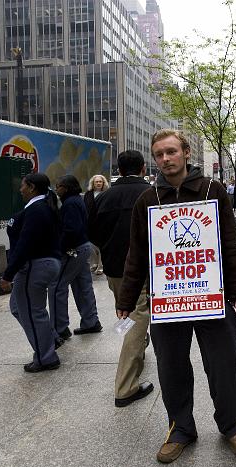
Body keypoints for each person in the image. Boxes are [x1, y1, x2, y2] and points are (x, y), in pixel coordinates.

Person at [117, 129, 236, 464]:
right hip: (167, 298)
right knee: (172, 366)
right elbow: (137, 253)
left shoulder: (212, 190)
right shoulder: (147, 200)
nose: (165, 159)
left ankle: (231, 424)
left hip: (211, 295)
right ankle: (180, 428)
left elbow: (231, 243)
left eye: (171, 152)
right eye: (159, 154)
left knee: (224, 364)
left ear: (186, 152)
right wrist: (126, 299)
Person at [88, 150, 154, 407]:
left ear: (119, 169)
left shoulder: (103, 197)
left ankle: (138, 346)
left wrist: (110, 249)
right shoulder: (152, 193)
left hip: (114, 268)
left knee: (125, 314)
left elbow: (91, 232)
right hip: (144, 269)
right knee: (137, 317)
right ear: (143, 168)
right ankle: (126, 386)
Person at [0, 173, 61, 372]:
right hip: (46, 264)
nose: (20, 189)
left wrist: (8, 274)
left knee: (33, 313)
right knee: (18, 307)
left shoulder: (37, 209)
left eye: (23, 186)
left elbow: (25, 244)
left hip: (35, 266)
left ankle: (45, 357)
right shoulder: (45, 206)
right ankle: (49, 339)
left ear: (32, 187)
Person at [49, 175, 102, 341]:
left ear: (66, 187)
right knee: (82, 285)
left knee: (57, 286)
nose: (57, 189)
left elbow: (70, 230)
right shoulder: (76, 201)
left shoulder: (70, 203)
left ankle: (60, 327)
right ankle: (91, 321)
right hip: (82, 247)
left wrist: (60, 249)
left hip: (73, 249)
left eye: (58, 186)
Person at [83, 174, 109, 275]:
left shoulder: (107, 193)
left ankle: (101, 266)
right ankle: (94, 263)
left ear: (103, 183)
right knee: (91, 244)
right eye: (96, 182)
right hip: (90, 223)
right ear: (93, 183)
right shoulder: (88, 194)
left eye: (100, 182)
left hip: (103, 223)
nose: (98, 183)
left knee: (102, 245)